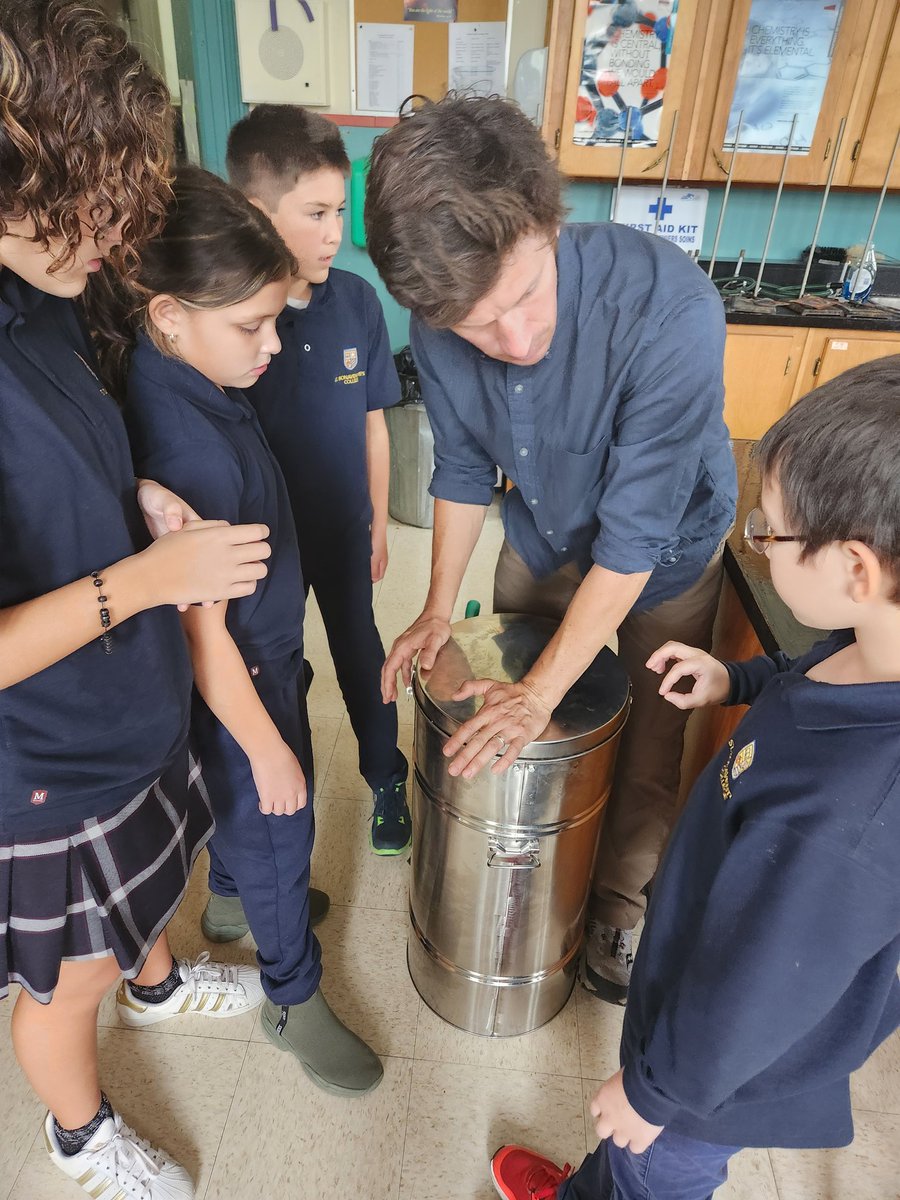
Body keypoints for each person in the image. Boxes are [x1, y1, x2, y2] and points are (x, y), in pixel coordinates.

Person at [489, 357, 900, 1199]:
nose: (759, 543)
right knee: (619, 1163)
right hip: (696, 1009)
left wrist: (655, 1094)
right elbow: (812, 674)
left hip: (708, 1087)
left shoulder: (852, 819)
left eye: (771, 533)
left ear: (857, 569)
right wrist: (736, 679)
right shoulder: (874, 648)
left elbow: (760, 988)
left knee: (651, 1172)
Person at [364, 93, 737, 1003]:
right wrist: (435, 609)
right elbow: (461, 468)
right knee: (519, 719)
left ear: (548, 222)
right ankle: (524, 886)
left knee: (644, 741)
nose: (515, 340)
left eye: (526, 298)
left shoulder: (669, 311)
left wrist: (539, 693)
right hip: (541, 535)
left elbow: (636, 538)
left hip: (666, 558)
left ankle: (615, 910)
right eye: (476, 326)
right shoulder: (437, 316)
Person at [0, 5, 273, 1197]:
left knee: (152, 878)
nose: (115, 238)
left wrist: (136, 496)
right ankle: (81, 1136)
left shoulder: (41, 294)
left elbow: (58, 462)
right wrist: (152, 580)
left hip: (128, 697)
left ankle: (156, 984)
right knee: (68, 977)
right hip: (44, 754)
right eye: (96, 206)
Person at [92, 166, 383, 1098]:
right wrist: (268, 748)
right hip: (243, 677)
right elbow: (201, 638)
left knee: (244, 820)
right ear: (169, 314)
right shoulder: (191, 451)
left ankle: (228, 905)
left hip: (263, 654)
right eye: (251, 326)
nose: (272, 343)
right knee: (279, 822)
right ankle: (291, 994)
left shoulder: (183, 381)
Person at [226, 104, 411, 856]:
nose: (335, 232)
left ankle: (386, 777)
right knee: (274, 664)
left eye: (340, 210)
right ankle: (283, 799)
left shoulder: (358, 302)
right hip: (264, 541)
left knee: (360, 650)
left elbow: (374, 425)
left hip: (340, 528)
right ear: (255, 211)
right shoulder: (237, 317)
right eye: (315, 214)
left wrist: (378, 521)